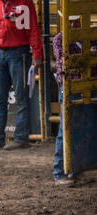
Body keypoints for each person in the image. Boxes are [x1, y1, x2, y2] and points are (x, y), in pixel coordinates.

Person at [0, 0, 42, 150]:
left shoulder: (25, 2)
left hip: (18, 52)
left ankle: (20, 138)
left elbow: (33, 28)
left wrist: (37, 53)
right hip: (1, 52)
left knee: (20, 97)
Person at [52, 16, 82, 186]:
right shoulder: (60, 39)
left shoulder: (84, 38)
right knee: (65, 130)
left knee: (78, 128)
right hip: (69, 86)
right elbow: (65, 62)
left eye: (75, 20)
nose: (73, 24)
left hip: (80, 86)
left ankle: (74, 169)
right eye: (70, 21)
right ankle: (59, 171)